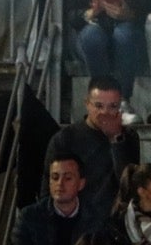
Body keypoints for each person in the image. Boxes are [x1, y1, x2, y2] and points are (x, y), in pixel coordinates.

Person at [43, 75, 139, 222]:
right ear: (87, 104)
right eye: (99, 106)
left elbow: (129, 185)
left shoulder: (128, 137)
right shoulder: (65, 138)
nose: (105, 113)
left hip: (114, 221)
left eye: (113, 106)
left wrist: (116, 138)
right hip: (74, 220)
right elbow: (48, 188)